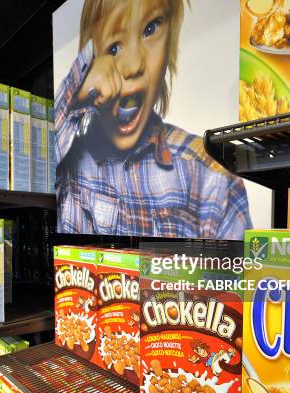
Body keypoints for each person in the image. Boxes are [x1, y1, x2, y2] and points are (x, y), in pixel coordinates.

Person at [55, 0, 252, 238]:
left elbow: (240, 272)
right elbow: (39, 163)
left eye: (150, 30)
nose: (134, 65)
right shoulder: (70, 164)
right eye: (113, 49)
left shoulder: (211, 177)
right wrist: (75, 94)